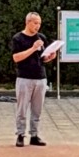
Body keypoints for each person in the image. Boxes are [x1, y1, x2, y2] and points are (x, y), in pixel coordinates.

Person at [10, 11, 59, 146]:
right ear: (28, 22)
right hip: (24, 77)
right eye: (35, 23)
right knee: (22, 108)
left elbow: (42, 58)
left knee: (37, 109)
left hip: (40, 77)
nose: (38, 26)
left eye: (39, 23)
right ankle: (20, 135)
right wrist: (33, 48)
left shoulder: (41, 37)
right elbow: (16, 58)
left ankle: (34, 135)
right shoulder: (18, 38)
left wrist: (50, 57)